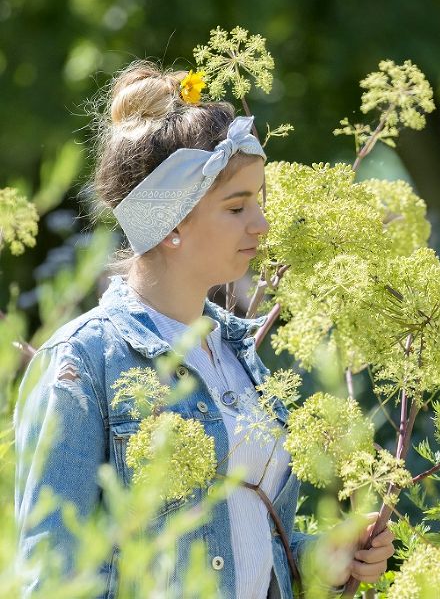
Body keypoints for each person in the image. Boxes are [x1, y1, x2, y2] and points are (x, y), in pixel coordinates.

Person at [14, 62, 394, 599]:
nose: (259, 223)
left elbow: (243, 540)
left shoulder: (234, 351)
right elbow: (51, 577)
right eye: (237, 206)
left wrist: (318, 557)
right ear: (169, 224)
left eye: (257, 200)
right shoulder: (82, 363)